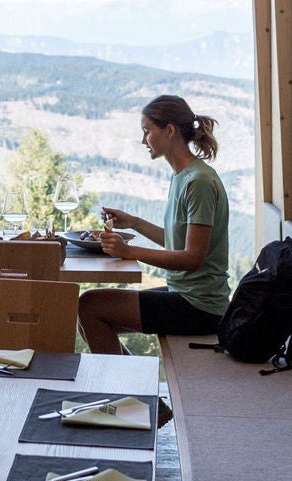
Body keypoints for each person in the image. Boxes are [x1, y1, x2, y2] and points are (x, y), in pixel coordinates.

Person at [77, 94, 230, 354]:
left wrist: (129, 252)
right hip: (186, 294)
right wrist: (134, 223)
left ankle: (126, 388)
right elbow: (178, 242)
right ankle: (130, 386)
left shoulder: (199, 182)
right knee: (88, 312)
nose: (143, 140)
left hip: (200, 306)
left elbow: (193, 258)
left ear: (169, 130)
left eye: (147, 131)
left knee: (91, 307)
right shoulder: (184, 176)